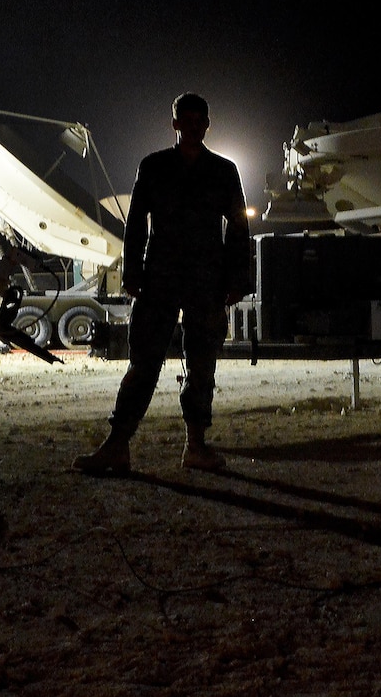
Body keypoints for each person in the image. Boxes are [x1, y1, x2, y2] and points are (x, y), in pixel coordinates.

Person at [74, 92, 250, 473]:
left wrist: (239, 280)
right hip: (160, 278)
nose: (192, 126)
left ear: (206, 125)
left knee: (202, 365)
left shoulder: (223, 171)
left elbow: (239, 228)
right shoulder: (153, 167)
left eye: (198, 120)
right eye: (185, 119)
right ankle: (118, 445)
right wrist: (133, 274)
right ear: (175, 124)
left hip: (206, 280)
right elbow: (136, 222)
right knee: (143, 363)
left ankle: (197, 447)